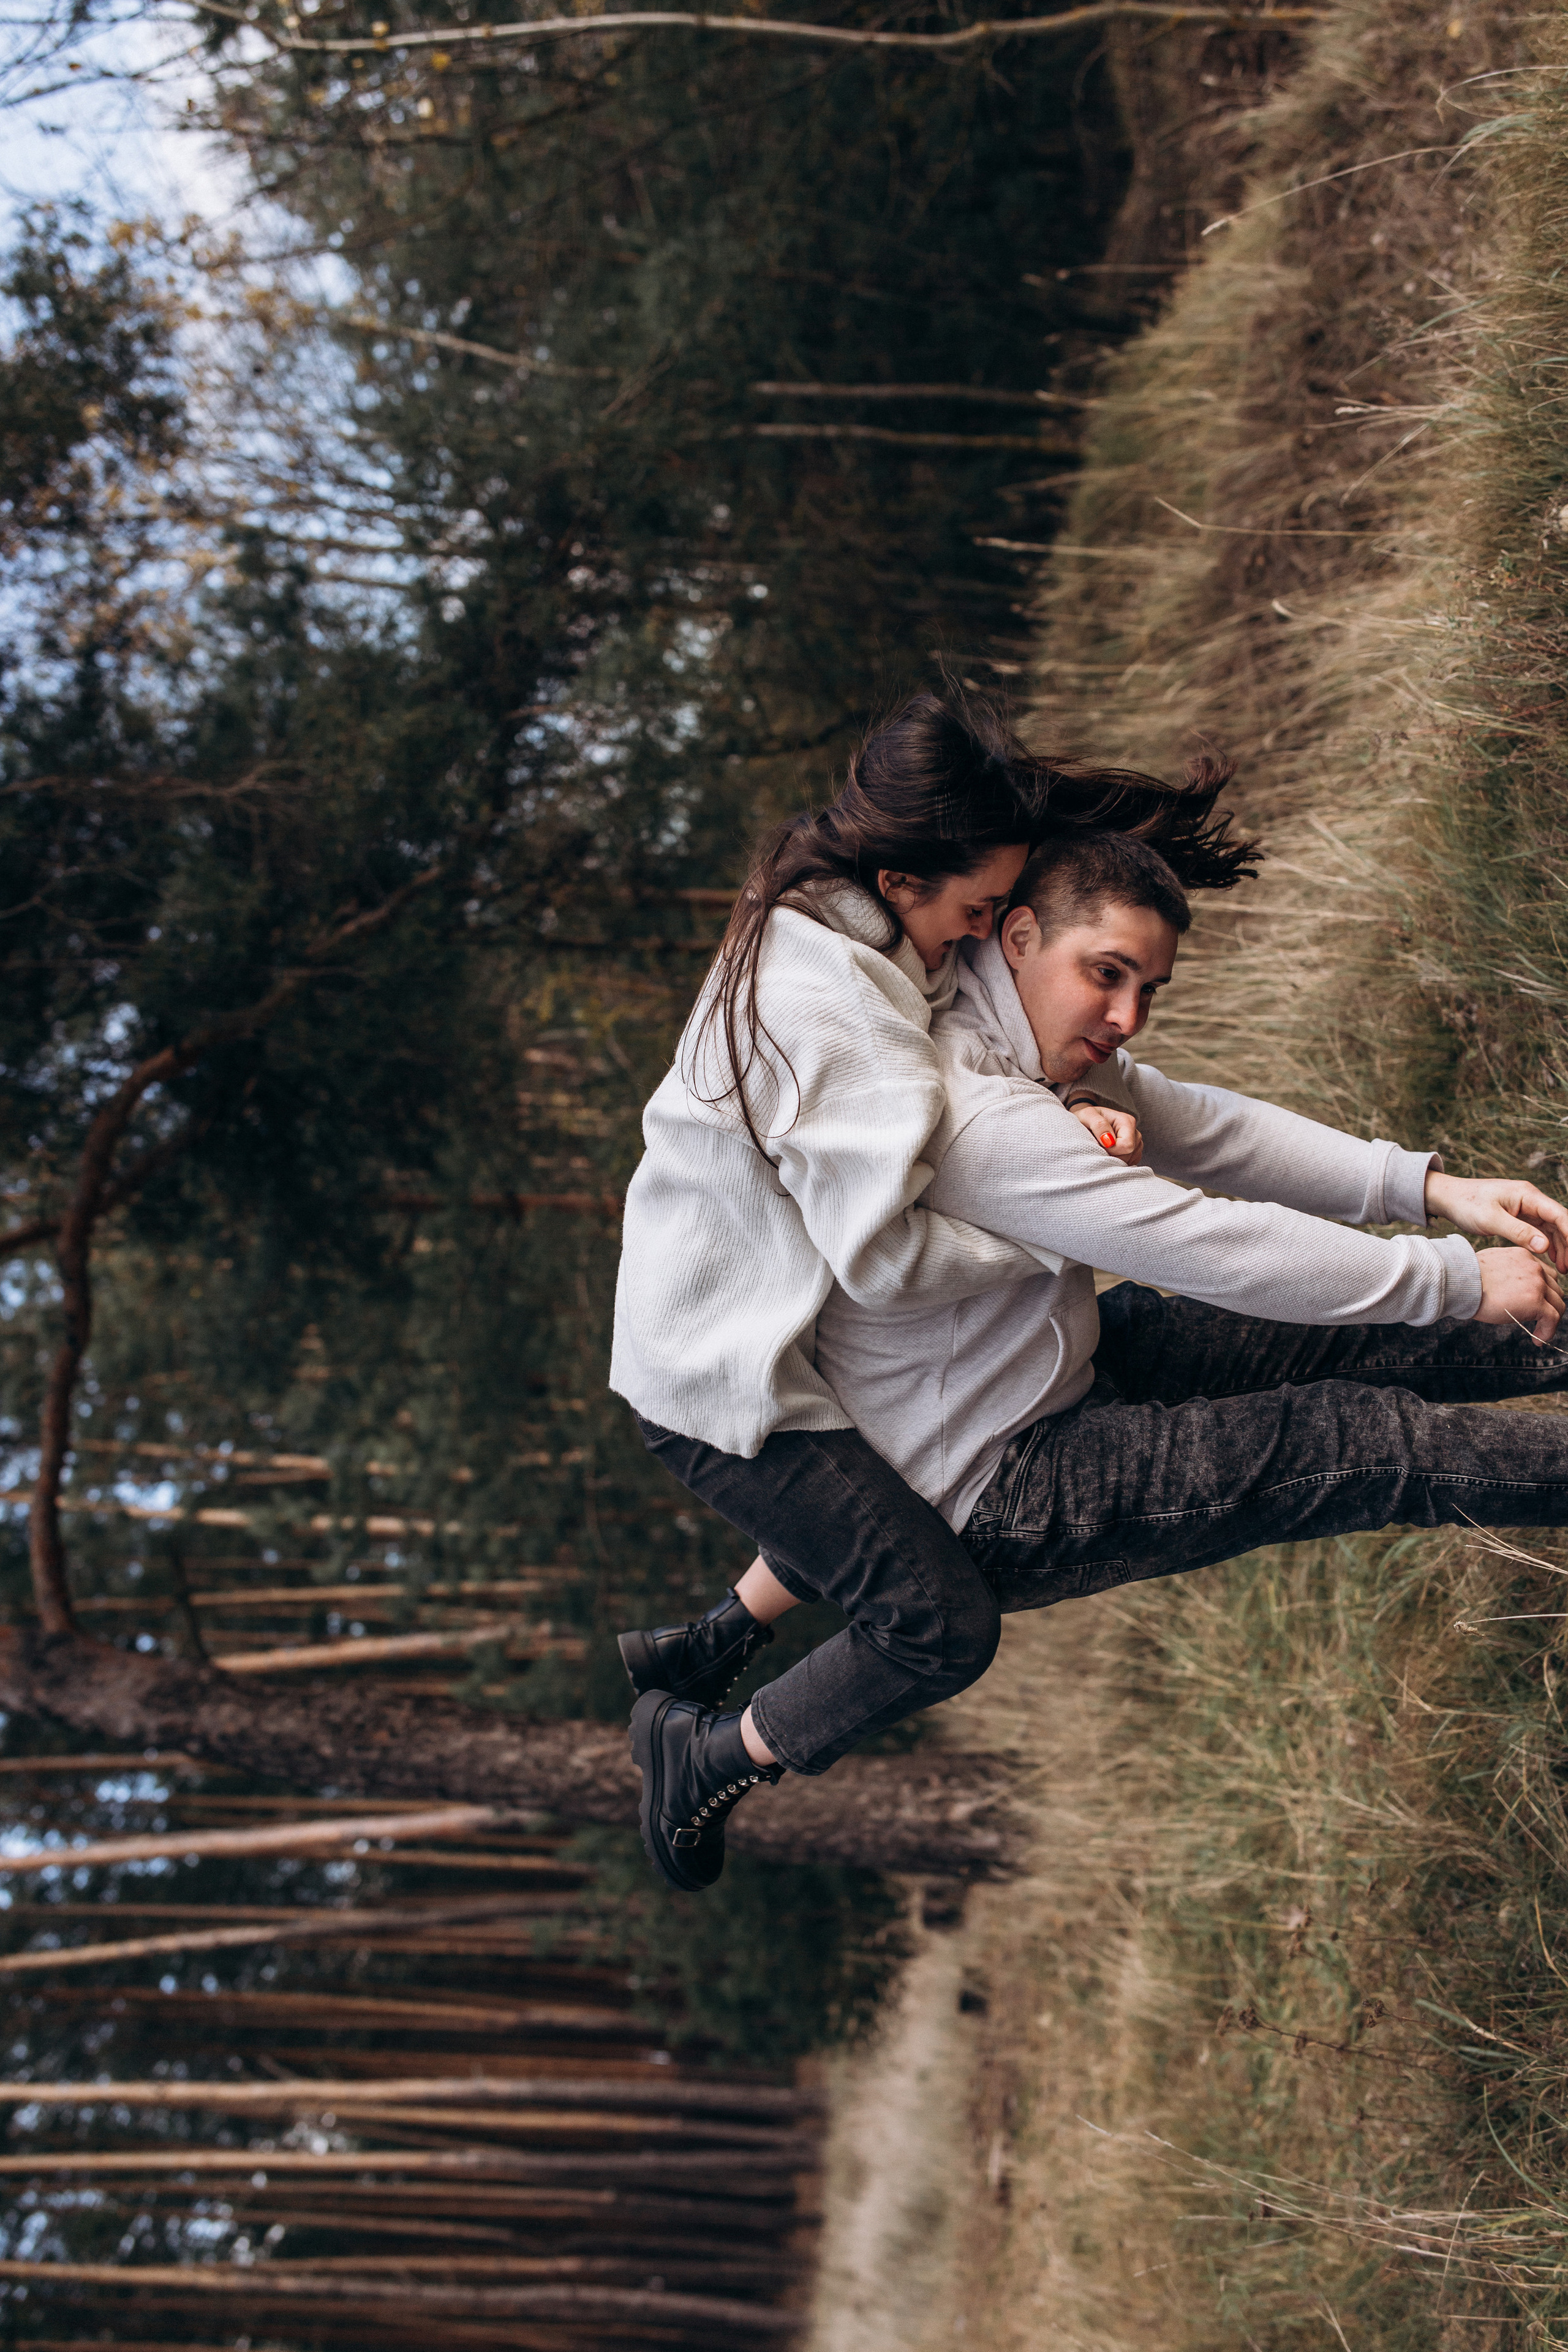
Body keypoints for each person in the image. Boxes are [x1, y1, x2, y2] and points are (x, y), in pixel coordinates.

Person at [609, 691, 1262, 1891]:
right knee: (934, 1621)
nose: (983, 938)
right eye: (975, 911)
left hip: (736, 1313)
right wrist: (1047, 1226)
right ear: (909, 875)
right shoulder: (831, 1001)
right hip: (719, 1381)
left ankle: (705, 1645)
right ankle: (704, 1758)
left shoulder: (832, 907)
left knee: (895, 1472)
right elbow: (886, 1259)